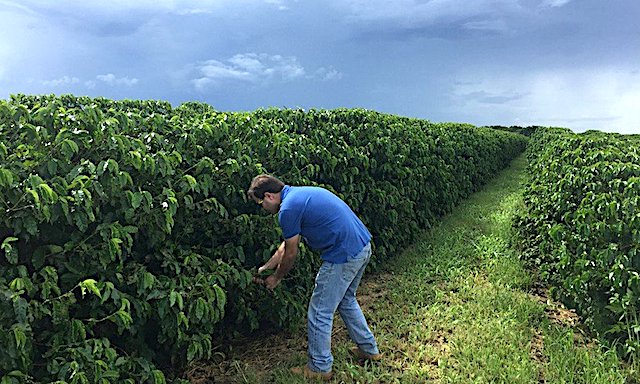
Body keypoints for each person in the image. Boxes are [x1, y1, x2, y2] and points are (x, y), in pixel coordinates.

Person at [247, 174, 382, 381]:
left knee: (320, 310)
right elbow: (285, 246)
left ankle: (320, 367)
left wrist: (276, 278)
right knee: (346, 300)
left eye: (260, 203)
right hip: (361, 247)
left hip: (343, 255)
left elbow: (292, 252)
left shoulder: (287, 209)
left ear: (268, 196)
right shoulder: (298, 195)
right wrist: (265, 268)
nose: (262, 208)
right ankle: (368, 349)